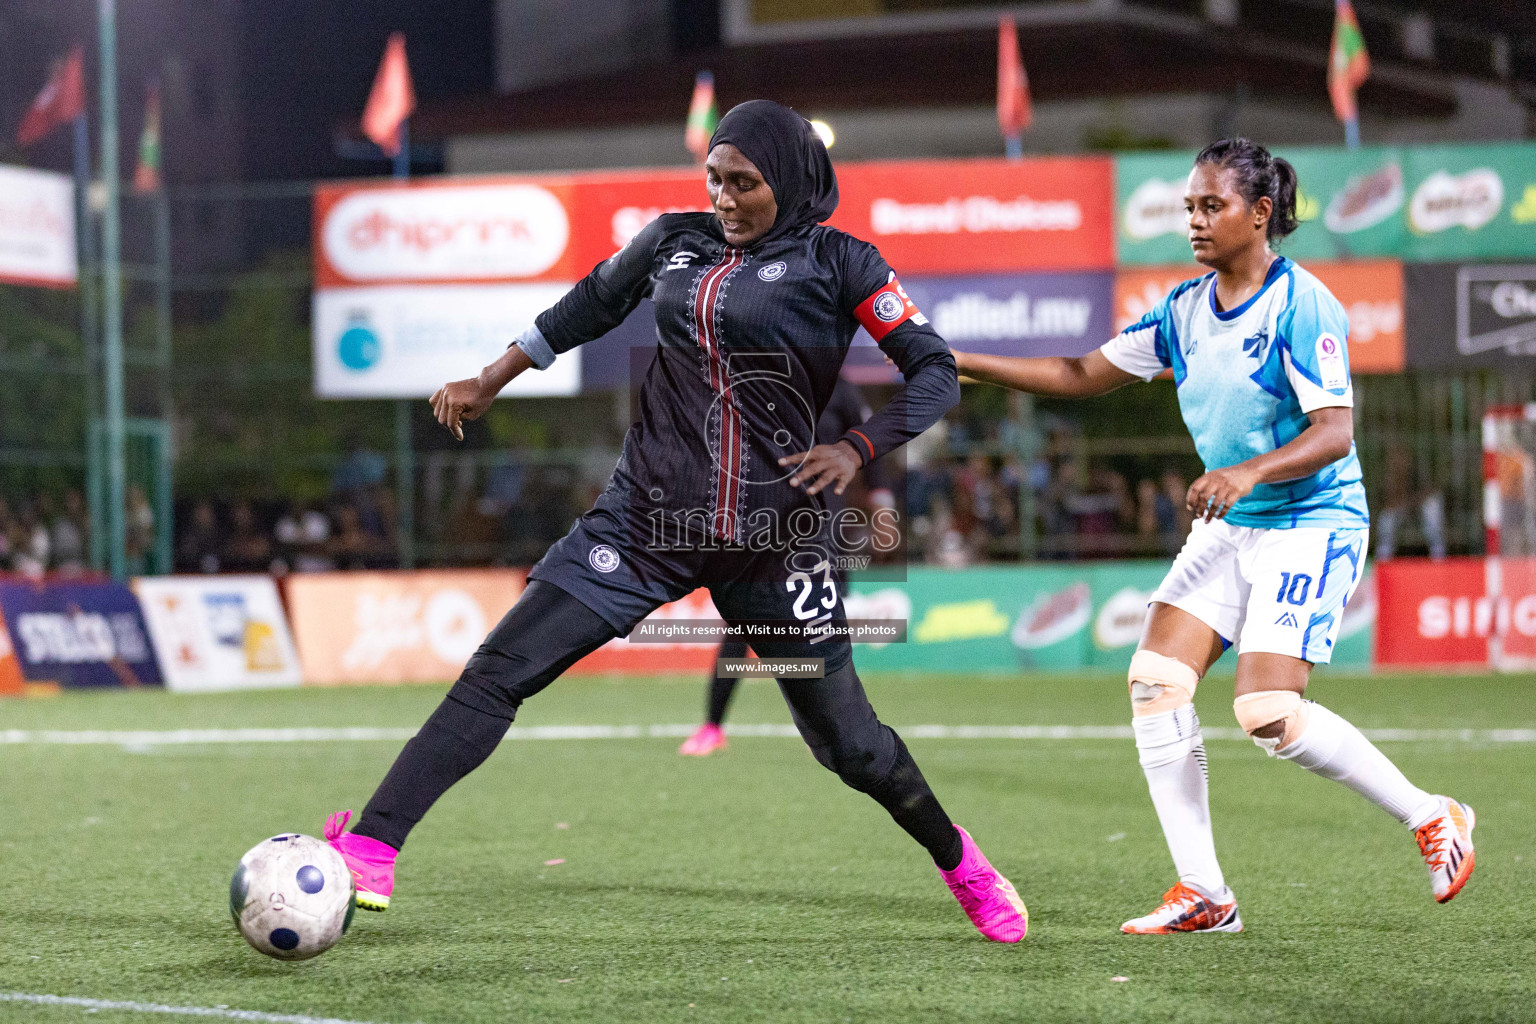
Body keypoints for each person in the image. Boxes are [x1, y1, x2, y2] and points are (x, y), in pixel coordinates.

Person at [323, 101, 1028, 943]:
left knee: (853, 750)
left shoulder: (844, 264)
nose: (726, 199)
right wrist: (493, 375)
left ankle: (964, 865)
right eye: (716, 180)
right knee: (500, 668)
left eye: (746, 183)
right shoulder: (673, 240)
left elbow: (936, 372)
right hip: (643, 522)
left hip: (774, 542)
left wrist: (858, 447)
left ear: (793, 181)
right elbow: (587, 304)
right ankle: (372, 845)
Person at [952, 138, 1474, 934]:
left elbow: (1334, 431)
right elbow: (1081, 374)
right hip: (1235, 526)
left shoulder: (1304, 303)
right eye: (1189, 206)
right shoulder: (1184, 309)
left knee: (1266, 711)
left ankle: (1432, 814)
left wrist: (1247, 474)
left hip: (1313, 522)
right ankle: (1205, 893)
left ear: (1260, 214)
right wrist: (962, 362)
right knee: (1156, 684)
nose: (1194, 220)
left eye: (1211, 205)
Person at [679, 375, 871, 757]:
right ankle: (713, 725)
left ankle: (840, 730)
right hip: (766, 522)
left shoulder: (841, 388)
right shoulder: (764, 382)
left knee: (821, 633)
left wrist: (879, 494)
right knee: (741, 627)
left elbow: (867, 444)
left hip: (822, 525)